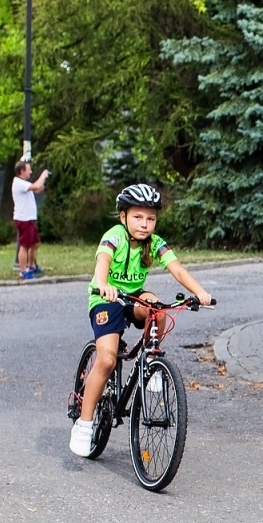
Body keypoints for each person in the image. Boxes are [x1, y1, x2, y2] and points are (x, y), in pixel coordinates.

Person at [69, 184, 214, 458]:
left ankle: (151, 362)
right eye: (138, 217)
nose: (145, 224)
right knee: (107, 360)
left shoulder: (155, 243)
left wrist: (200, 292)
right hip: (106, 299)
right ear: (123, 216)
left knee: (157, 308)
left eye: (151, 218)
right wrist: (103, 284)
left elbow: (177, 269)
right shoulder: (114, 236)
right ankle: (84, 425)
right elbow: (102, 262)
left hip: (133, 296)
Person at [11, 160, 50, 279]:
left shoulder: (24, 183)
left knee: (35, 243)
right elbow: (37, 186)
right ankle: (23, 271)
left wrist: (44, 181)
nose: (31, 172)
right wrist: (43, 175)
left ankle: (31, 266)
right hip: (24, 219)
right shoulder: (18, 183)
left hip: (29, 219)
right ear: (22, 171)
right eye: (29, 170)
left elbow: (38, 189)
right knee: (25, 246)